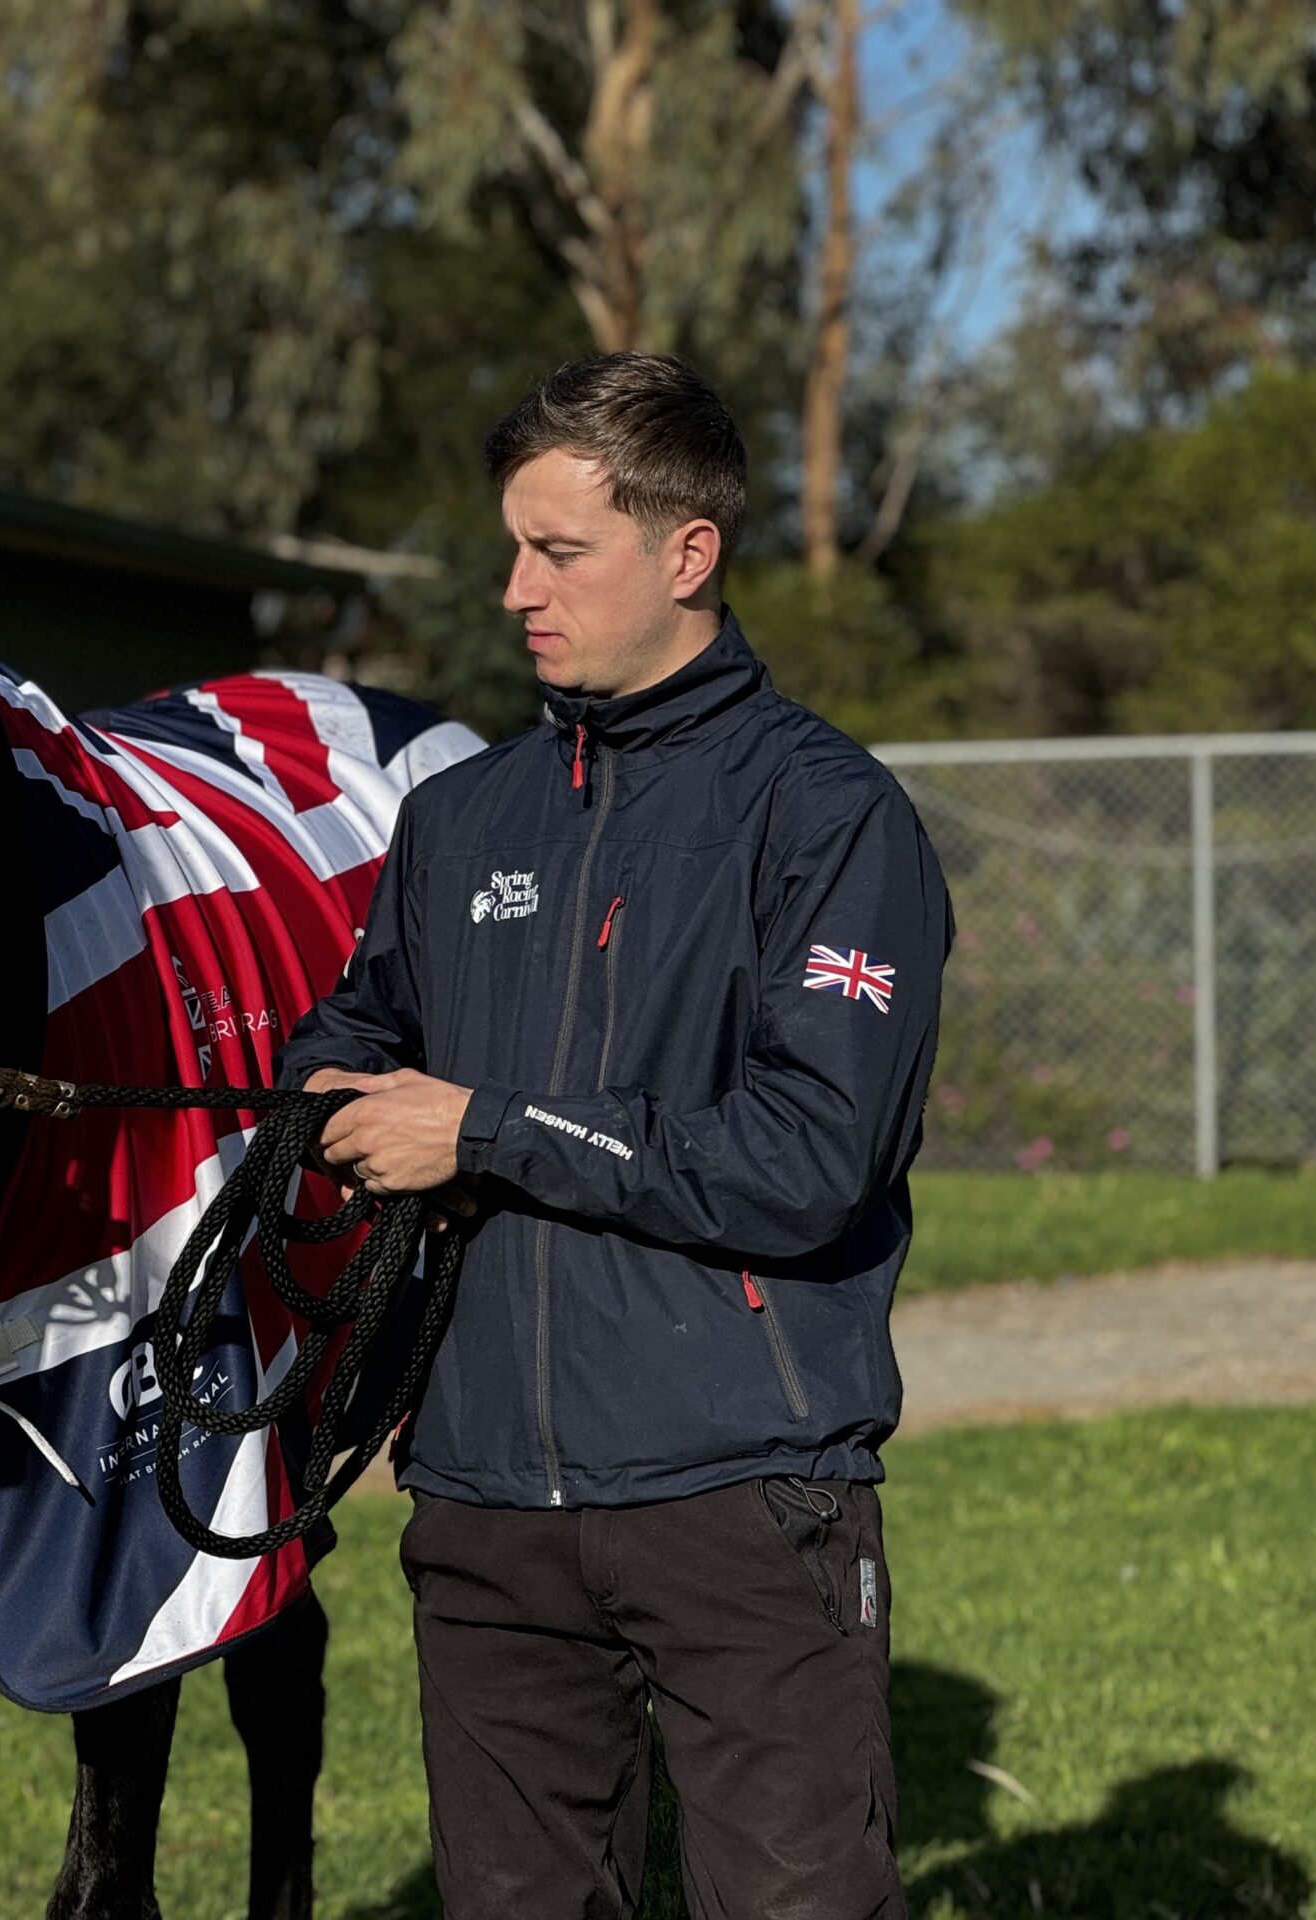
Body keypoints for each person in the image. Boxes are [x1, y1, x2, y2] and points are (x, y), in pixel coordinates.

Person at [275, 352, 953, 1919]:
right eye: (512, 547)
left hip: (742, 1496)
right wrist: (320, 1111)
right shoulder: (464, 818)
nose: (518, 589)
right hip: (486, 1504)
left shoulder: (829, 815)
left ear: (687, 555)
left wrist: (491, 1130)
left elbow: (807, 1157)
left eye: (559, 552)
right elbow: (348, 1039)